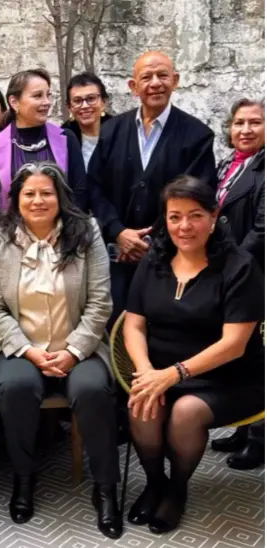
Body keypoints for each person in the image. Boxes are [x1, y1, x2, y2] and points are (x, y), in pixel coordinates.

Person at [0, 162, 120, 539]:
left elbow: (100, 302)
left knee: (92, 390)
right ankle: (24, 478)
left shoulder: (86, 230)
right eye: (29, 194)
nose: (38, 200)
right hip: (21, 348)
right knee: (18, 388)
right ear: (16, 199)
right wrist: (27, 350)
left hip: (80, 346)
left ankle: (106, 488)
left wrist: (74, 350)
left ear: (60, 197)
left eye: (46, 193)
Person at [124, 176, 264, 534]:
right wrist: (145, 372)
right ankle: (155, 481)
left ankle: (177, 488)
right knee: (145, 398)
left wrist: (171, 375)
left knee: (185, 412)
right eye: (174, 217)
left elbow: (234, 344)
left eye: (195, 215)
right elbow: (133, 325)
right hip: (160, 370)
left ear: (214, 216)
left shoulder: (239, 266)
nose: (184, 226)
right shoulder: (153, 258)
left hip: (228, 376)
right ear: (165, 219)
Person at [87, 51, 217, 324]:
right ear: (133, 87)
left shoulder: (197, 135)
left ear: (176, 80)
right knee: (115, 327)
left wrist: (152, 241)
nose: (155, 83)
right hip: (117, 256)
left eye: (163, 75)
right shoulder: (112, 131)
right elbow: (94, 187)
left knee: (163, 329)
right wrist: (119, 231)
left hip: (172, 256)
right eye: (146, 77)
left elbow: (198, 198)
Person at [208, 98, 265, 470]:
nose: (245, 129)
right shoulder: (228, 164)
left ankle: (260, 439)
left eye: (255, 123)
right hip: (232, 270)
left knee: (257, 356)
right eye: (239, 123)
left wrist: (234, 266)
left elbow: (262, 229)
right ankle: (244, 429)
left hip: (253, 273)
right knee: (240, 354)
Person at [0, 69, 88, 215]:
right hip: (12, 233)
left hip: (64, 231)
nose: (46, 102)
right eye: (38, 96)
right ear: (14, 102)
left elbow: (79, 191)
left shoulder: (66, 139)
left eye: (48, 95)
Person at [61, 72, 113, 169]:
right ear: (69, 107)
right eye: (77, 101)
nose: (85, 106)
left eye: (91, 98)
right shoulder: (62, 139)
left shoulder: (119, 133)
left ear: (103, 102)